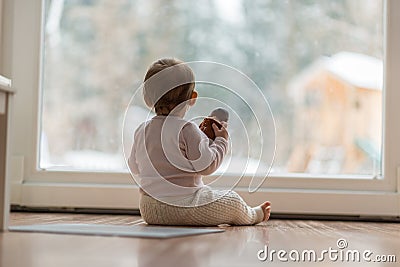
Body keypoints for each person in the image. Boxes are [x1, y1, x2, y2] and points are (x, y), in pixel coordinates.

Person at [128, 58, 271, 226]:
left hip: (149, 209)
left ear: (147, 98)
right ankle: (252, 215)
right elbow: (206, 166)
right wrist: (220, 141)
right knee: (231, 200)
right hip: (183, 206)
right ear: (193, 97)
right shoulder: (187, 129)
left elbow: (134, 166)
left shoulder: (141, 130)